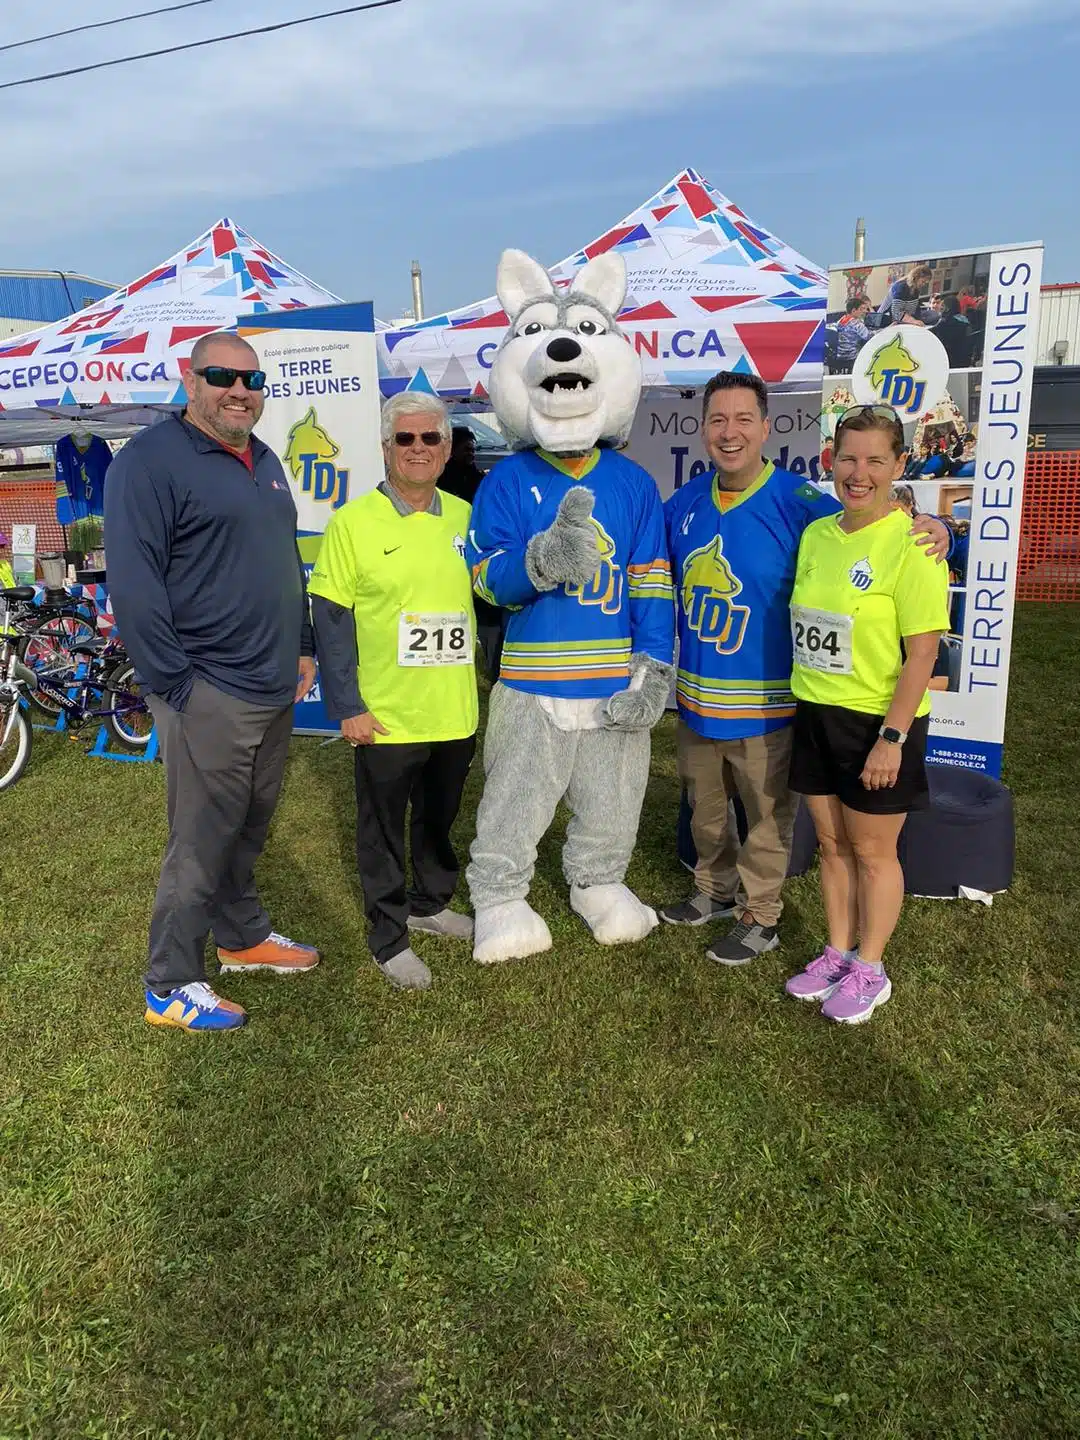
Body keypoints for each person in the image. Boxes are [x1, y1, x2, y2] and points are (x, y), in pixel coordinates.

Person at [662, 372, 949, 967]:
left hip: (770, 701)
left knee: (768, 817)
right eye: (718, 420)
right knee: (705, 809)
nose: (730, 432)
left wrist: (939, 528)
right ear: (703, 428)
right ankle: (713, 888)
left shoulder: (803, 505)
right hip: (696, 698)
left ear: (767, 428)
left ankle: (761, 914)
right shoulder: (683, 504)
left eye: (744, 419)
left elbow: (872, 524)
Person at [105, 331, 318, 1033]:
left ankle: (241, 936)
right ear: (189, 379)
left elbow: (285, 559)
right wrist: (179, 687)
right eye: (222, 376)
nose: (239, 391)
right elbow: (135, 586)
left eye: (252, 381)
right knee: (200, 840)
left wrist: (303, 644)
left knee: (248, 825)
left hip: (272, 685)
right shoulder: (147, 462)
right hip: (208, 689)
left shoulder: (266, 459)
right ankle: (169, 984)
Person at [784, 404, 949, 1023]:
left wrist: (892, 738)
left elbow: (923, 653)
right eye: (848, 459)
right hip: (815, 712)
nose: (859, 474)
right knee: (831, 845)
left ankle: (871, 968)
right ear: (831, 461)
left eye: (875, 460)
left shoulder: (914, 543)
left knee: (873, 851)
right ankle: (837, 952)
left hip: (878, 722)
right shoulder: (817, 535)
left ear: (899, 465)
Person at [309, 393, 478, 991]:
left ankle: (431, 903)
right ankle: (389, 935)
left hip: (454, 711)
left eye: (430, 438)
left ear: (447, 448)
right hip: (385, 715)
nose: (418, 449)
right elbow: (330, 617)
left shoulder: (467, 517)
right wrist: (348, 706)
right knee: (380, 830)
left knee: (439, 818)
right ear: (386, 449)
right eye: (405, 438)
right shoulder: (352, 523)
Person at [439, 424, 505, 682]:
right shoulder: (440, 482)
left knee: (488, 614)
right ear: (451, 450)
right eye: (466, 449)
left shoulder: (480, 479)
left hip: (478, 554)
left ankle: (492, 669)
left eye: (473, 449)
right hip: (451, 557)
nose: (471, 453)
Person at [932, 294, 975, 368]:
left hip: (950, 361)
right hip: (965, 361)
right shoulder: (965, 321)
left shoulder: (945, 324)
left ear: (947, 309)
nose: (940, 308)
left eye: (942, 306)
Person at [835, 298, 873, 369]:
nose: (864, 311)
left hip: (841, 355)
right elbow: (868, 336)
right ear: (853, 310)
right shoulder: (855, 323)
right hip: (852, 356)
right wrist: (884, 330)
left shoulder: (841, 320)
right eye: (861, 309)